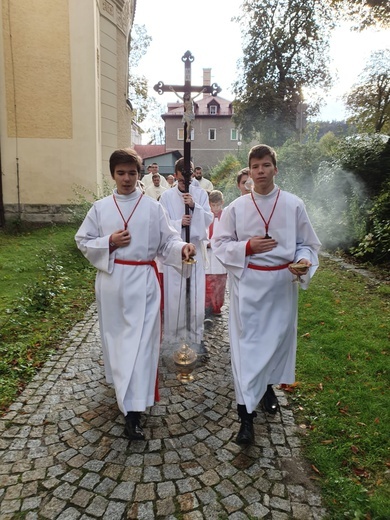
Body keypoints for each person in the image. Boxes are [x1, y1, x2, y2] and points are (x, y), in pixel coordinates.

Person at [75, 148, 196, 441]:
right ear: (113, 174)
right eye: (120, 173)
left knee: (142, 346)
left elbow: (167, 242)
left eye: (132, 172)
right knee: (117, 344)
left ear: (139, 174)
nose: (126, 178)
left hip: (143, 283)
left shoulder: (153, 208)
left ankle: (134, 412)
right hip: (112, 284)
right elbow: (83, 241)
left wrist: (182, 249)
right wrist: (109, 242)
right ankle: (123, 389)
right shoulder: (100, 208)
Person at [212, 144, 321, 445]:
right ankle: (245, 417)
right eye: (255, 167)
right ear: (249, 172)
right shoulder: (236, 208)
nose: (260, 172)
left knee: (273, 346)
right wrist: (247, 247)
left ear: (275, 168)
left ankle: (267, 388)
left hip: (281, 288)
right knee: (247, 350)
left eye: (266, 166)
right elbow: (219, 244)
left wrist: (305, 261)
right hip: (249, 287)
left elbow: (307, 244)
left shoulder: (293, 204)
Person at [159, 158, 213, 355]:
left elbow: (208, 219)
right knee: (175, 295)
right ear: (176, 176)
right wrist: (178, 222)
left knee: (195, 297)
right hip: (175, 253)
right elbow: (162, 225)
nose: (185, 184)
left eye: (188, 179)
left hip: (195, 250)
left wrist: (194, 206)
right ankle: (173, 339)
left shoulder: (200, 194)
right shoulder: (166, 197)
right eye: (181, 181)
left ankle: (196, 338)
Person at [205, 190, 228, 317]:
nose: (215, 208)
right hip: (208, 253)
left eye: (218, 205)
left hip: (220, 255)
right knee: (208, 282)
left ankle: (217, 307)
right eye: (213, 205)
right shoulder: (206, 216)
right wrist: (206, 243)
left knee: (220, 281)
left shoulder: (226, 217)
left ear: (222, 203)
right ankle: (207, 307)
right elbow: (201, 233)